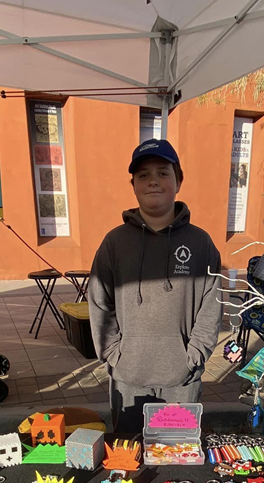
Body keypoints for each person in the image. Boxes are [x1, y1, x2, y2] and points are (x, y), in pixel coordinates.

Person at [88, 139, 222, 433]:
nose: (153, 182)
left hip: (181, 382)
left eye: (163, 173)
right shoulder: (115, 243)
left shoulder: (201, 244)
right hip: (128, 380)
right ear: (133, 184)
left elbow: (211, 306)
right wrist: (114, 357)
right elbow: (99, 303)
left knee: (177, 461)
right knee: (127, 462)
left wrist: (193, 358)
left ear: (178, 181)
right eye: (143, 175)